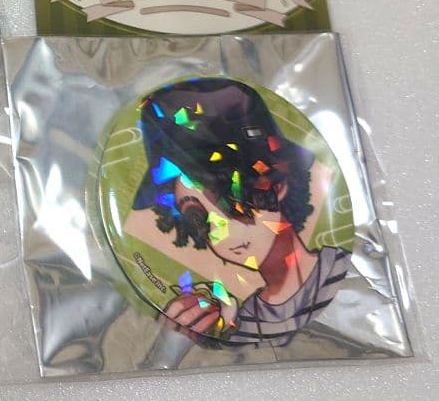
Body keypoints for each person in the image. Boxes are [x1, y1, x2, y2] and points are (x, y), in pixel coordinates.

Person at [131, 77, 350, 346]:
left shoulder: (346, 274)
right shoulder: (241, 324)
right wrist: (196, 338)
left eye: (228, 198)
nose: (217, 230)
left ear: (276, 185)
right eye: (197, 217)